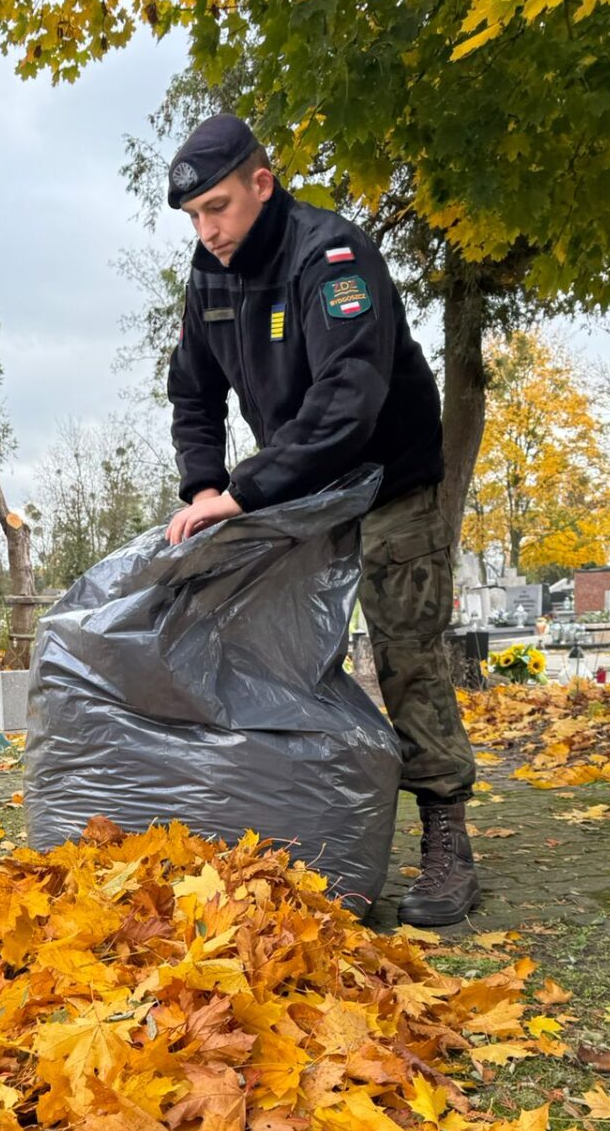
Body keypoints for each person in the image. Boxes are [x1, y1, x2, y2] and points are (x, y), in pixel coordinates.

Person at [162, 113, 479, 925]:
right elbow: (193, 392)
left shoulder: (332, 256)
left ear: (262, 184)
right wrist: (205, 486)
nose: (208, 231)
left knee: (408, 655)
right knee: (286, 655)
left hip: (387, 481)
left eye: (219, 208)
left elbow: (348, 396)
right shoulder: (210, 277)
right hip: (300, 490)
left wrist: (247, 490)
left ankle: (446, 838)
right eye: (194, 217)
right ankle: (311, 823)